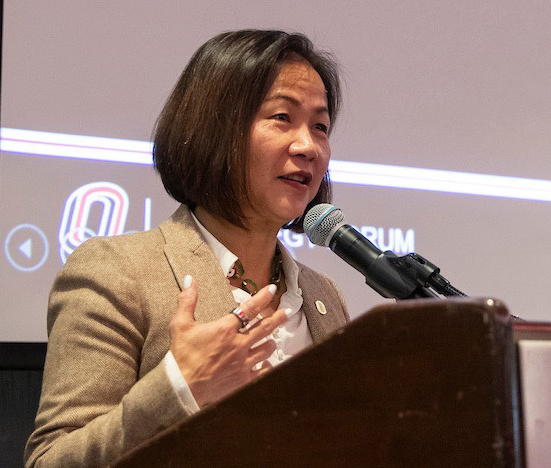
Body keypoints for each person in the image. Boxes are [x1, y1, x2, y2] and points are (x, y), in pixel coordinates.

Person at [25, 30, 350, 468]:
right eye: (281, 118)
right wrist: (179, 387)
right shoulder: (119, 271)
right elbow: (50, 461)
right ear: (215, 130)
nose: (308, 146)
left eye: (320, 126)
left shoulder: (321, 295)